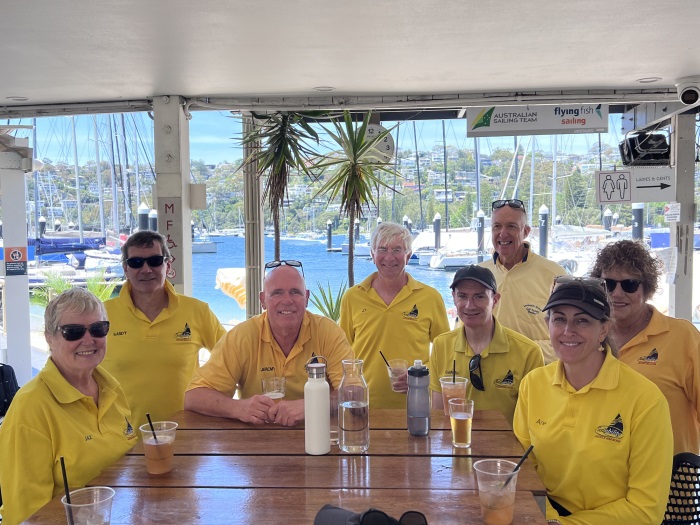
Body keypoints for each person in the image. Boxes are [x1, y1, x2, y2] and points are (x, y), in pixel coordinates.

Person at [513, 278, 673, 524]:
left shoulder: (646, 401)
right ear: (548, 324)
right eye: (559, 319)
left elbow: (646, 510)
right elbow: (523, 471)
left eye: (582, 320)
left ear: (604, 330)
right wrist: (550, 518)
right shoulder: (532, 385)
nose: (568, 331)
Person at [0, 289, 137, 525]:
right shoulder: (30, 409)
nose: (88, 340)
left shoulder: (111, 388)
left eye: (98, 329)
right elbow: (25, 515)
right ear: (49, 338)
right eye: (72, 332)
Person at [185, 260, 354, 426]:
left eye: (295, 292)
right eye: (277, 293)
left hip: (319, 438)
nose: (287, 300)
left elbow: (354, 393)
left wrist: (312, 405)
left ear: (307, 297)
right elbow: (193, 397)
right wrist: (238, 408)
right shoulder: (242, 336)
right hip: (256, 440)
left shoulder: (327, 332)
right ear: (263, 300)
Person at [101, 230, 226, 429]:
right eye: (136, 263)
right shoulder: (103, 315)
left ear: (167, 264)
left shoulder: (197, 311)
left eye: (154, 261)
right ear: (125, 268)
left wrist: (219, 400)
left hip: (185, 437)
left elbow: (231, 359)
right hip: (120, 440)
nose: (146, 269)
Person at [590, 239, 700, 454]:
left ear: (647, 287)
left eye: (629, 284)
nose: (617, 293)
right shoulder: (588, 337)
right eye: (609, 284)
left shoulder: (683, 337)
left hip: (673, 477)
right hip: (606, 479)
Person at [339, 222, 450, 409]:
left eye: (397, 250)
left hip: (416, 403)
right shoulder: (353, 297)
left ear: (408, 255)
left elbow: (445, 352)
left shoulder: (430, 298)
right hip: (363, 404)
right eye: (382, 249)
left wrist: (420, 374)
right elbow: (342, 351)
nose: (389, 257)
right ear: (372, 254)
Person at [429, 265, 543, 425]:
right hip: (455, 444)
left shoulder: (528, 352)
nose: (469, 305)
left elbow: (535, 420)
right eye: (462, 296)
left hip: (507, 448)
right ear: (454, 298)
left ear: (495, 300)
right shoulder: (441, 345)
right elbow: (438, 413)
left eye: (479, 297)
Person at [478, 199, 566, 364]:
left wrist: (514, 352)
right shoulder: (479, 274)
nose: (503, 234)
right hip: (486, 376)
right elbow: (463, 331)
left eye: (511, 226)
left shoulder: (554, 275)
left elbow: (567, 338)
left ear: (525, 231)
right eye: (497, 226)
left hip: (538, 376)